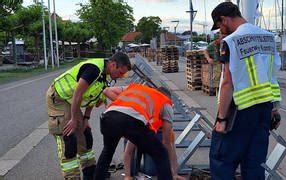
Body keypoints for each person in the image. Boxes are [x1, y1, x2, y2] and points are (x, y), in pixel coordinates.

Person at [209, 2, 281, 180]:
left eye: (219, 26)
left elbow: (227, 83)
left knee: (221, 159)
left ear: (224, 19)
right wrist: (274, 108)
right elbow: (272, 73)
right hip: (265, 108)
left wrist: (221, 118)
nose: (221, 31)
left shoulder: (230, 41)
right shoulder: (268, 37)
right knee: (255, 163)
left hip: (240, 109)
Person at [46, 52, 131, 180]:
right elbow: (78, 94)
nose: (119, 77)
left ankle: (90, 173)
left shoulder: (104, 77)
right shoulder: (94, 69)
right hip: (58, 98)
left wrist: (86, 119)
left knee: (85, 135)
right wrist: (74, 119)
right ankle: (72, 177)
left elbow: (95, 98)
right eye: (119, 73)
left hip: (71, 101)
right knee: (68, 139)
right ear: (113, 64)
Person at [94, 84, 185, 180]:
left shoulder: (137, 88)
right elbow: (166, 142)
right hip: (132, 120)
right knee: (161, 153)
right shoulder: (165, 102)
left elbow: (107, 91)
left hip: (108, 117)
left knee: (107, 152)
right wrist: (173, 174)